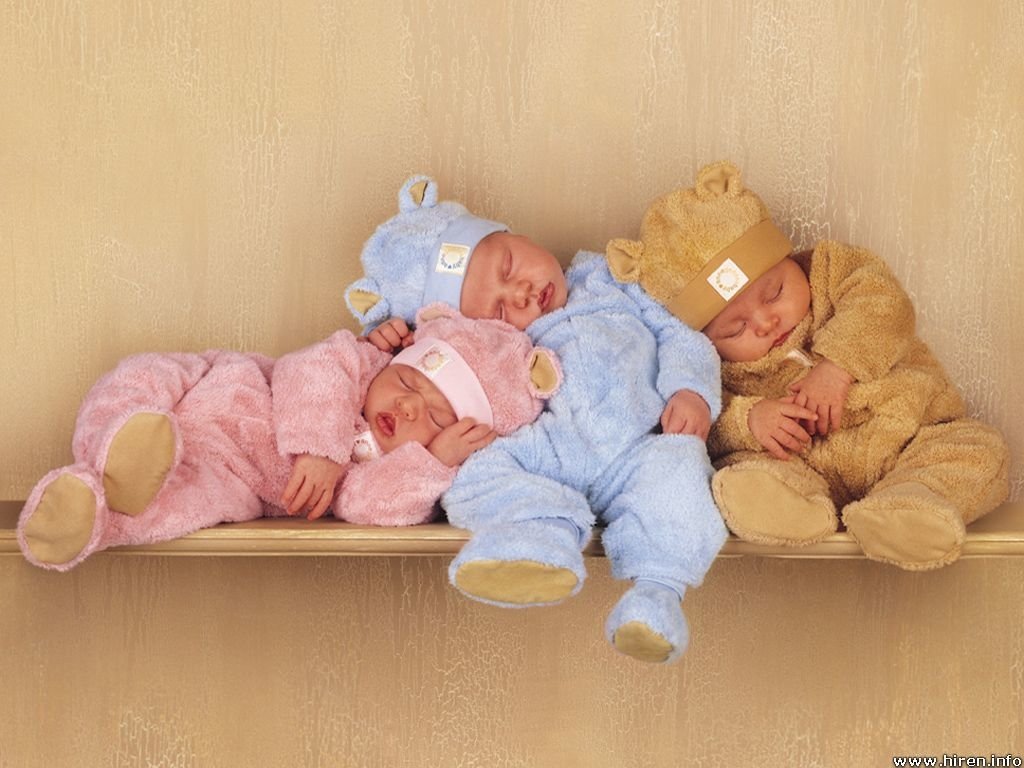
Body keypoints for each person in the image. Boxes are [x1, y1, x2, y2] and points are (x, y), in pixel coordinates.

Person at [345, 175, 726, 664]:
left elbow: (681, 334)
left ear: (516, 234)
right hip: (554, 450)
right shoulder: (504, 352)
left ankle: (656, 595)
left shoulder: (610, 278)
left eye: (508, 264)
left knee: (681, 476)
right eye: (501, 307)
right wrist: (385, 335)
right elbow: (424, 370)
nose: (522, 293)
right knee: (474, 479)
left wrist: (690, 390)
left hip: (644, 443)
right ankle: (536, 539)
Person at [607, 160, 1010, 571]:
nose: (766, 323)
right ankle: (788, 508)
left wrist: (837, 367)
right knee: (743, 469)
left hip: (909, 436)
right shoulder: (706, 364)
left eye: (774, 292)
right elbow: (701, 420)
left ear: (790, 261)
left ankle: (910, 503)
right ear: (708, 341)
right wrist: (750, 419)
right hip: (802, 465)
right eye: (736, 329)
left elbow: (885, 305)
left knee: (977, 448)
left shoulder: (834, 271)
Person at [17, 305, 560, 571]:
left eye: (435, 421)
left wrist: (433, 463)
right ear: (391, 363)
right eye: (406, 381)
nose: (408, 405)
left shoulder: (380, 472)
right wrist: (319, 451)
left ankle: (87, 513)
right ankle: (114, 448)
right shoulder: (356, 361)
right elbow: (310, 369)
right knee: (136, 379)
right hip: (214, 388)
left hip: (234, 473)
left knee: (183, 504)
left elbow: (370, 508)